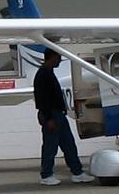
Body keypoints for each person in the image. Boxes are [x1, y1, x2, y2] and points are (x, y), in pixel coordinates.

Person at [34, 48, 90, 185]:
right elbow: (42, 99)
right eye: (58, 57)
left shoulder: (48, 73)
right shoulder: (43, 74)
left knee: (69, 144)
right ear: (52, 57)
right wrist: (49, 118)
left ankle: (77, 172)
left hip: (58, 114)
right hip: (52, 115)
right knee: (50, 146)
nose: (59, 60)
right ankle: (46, 175)